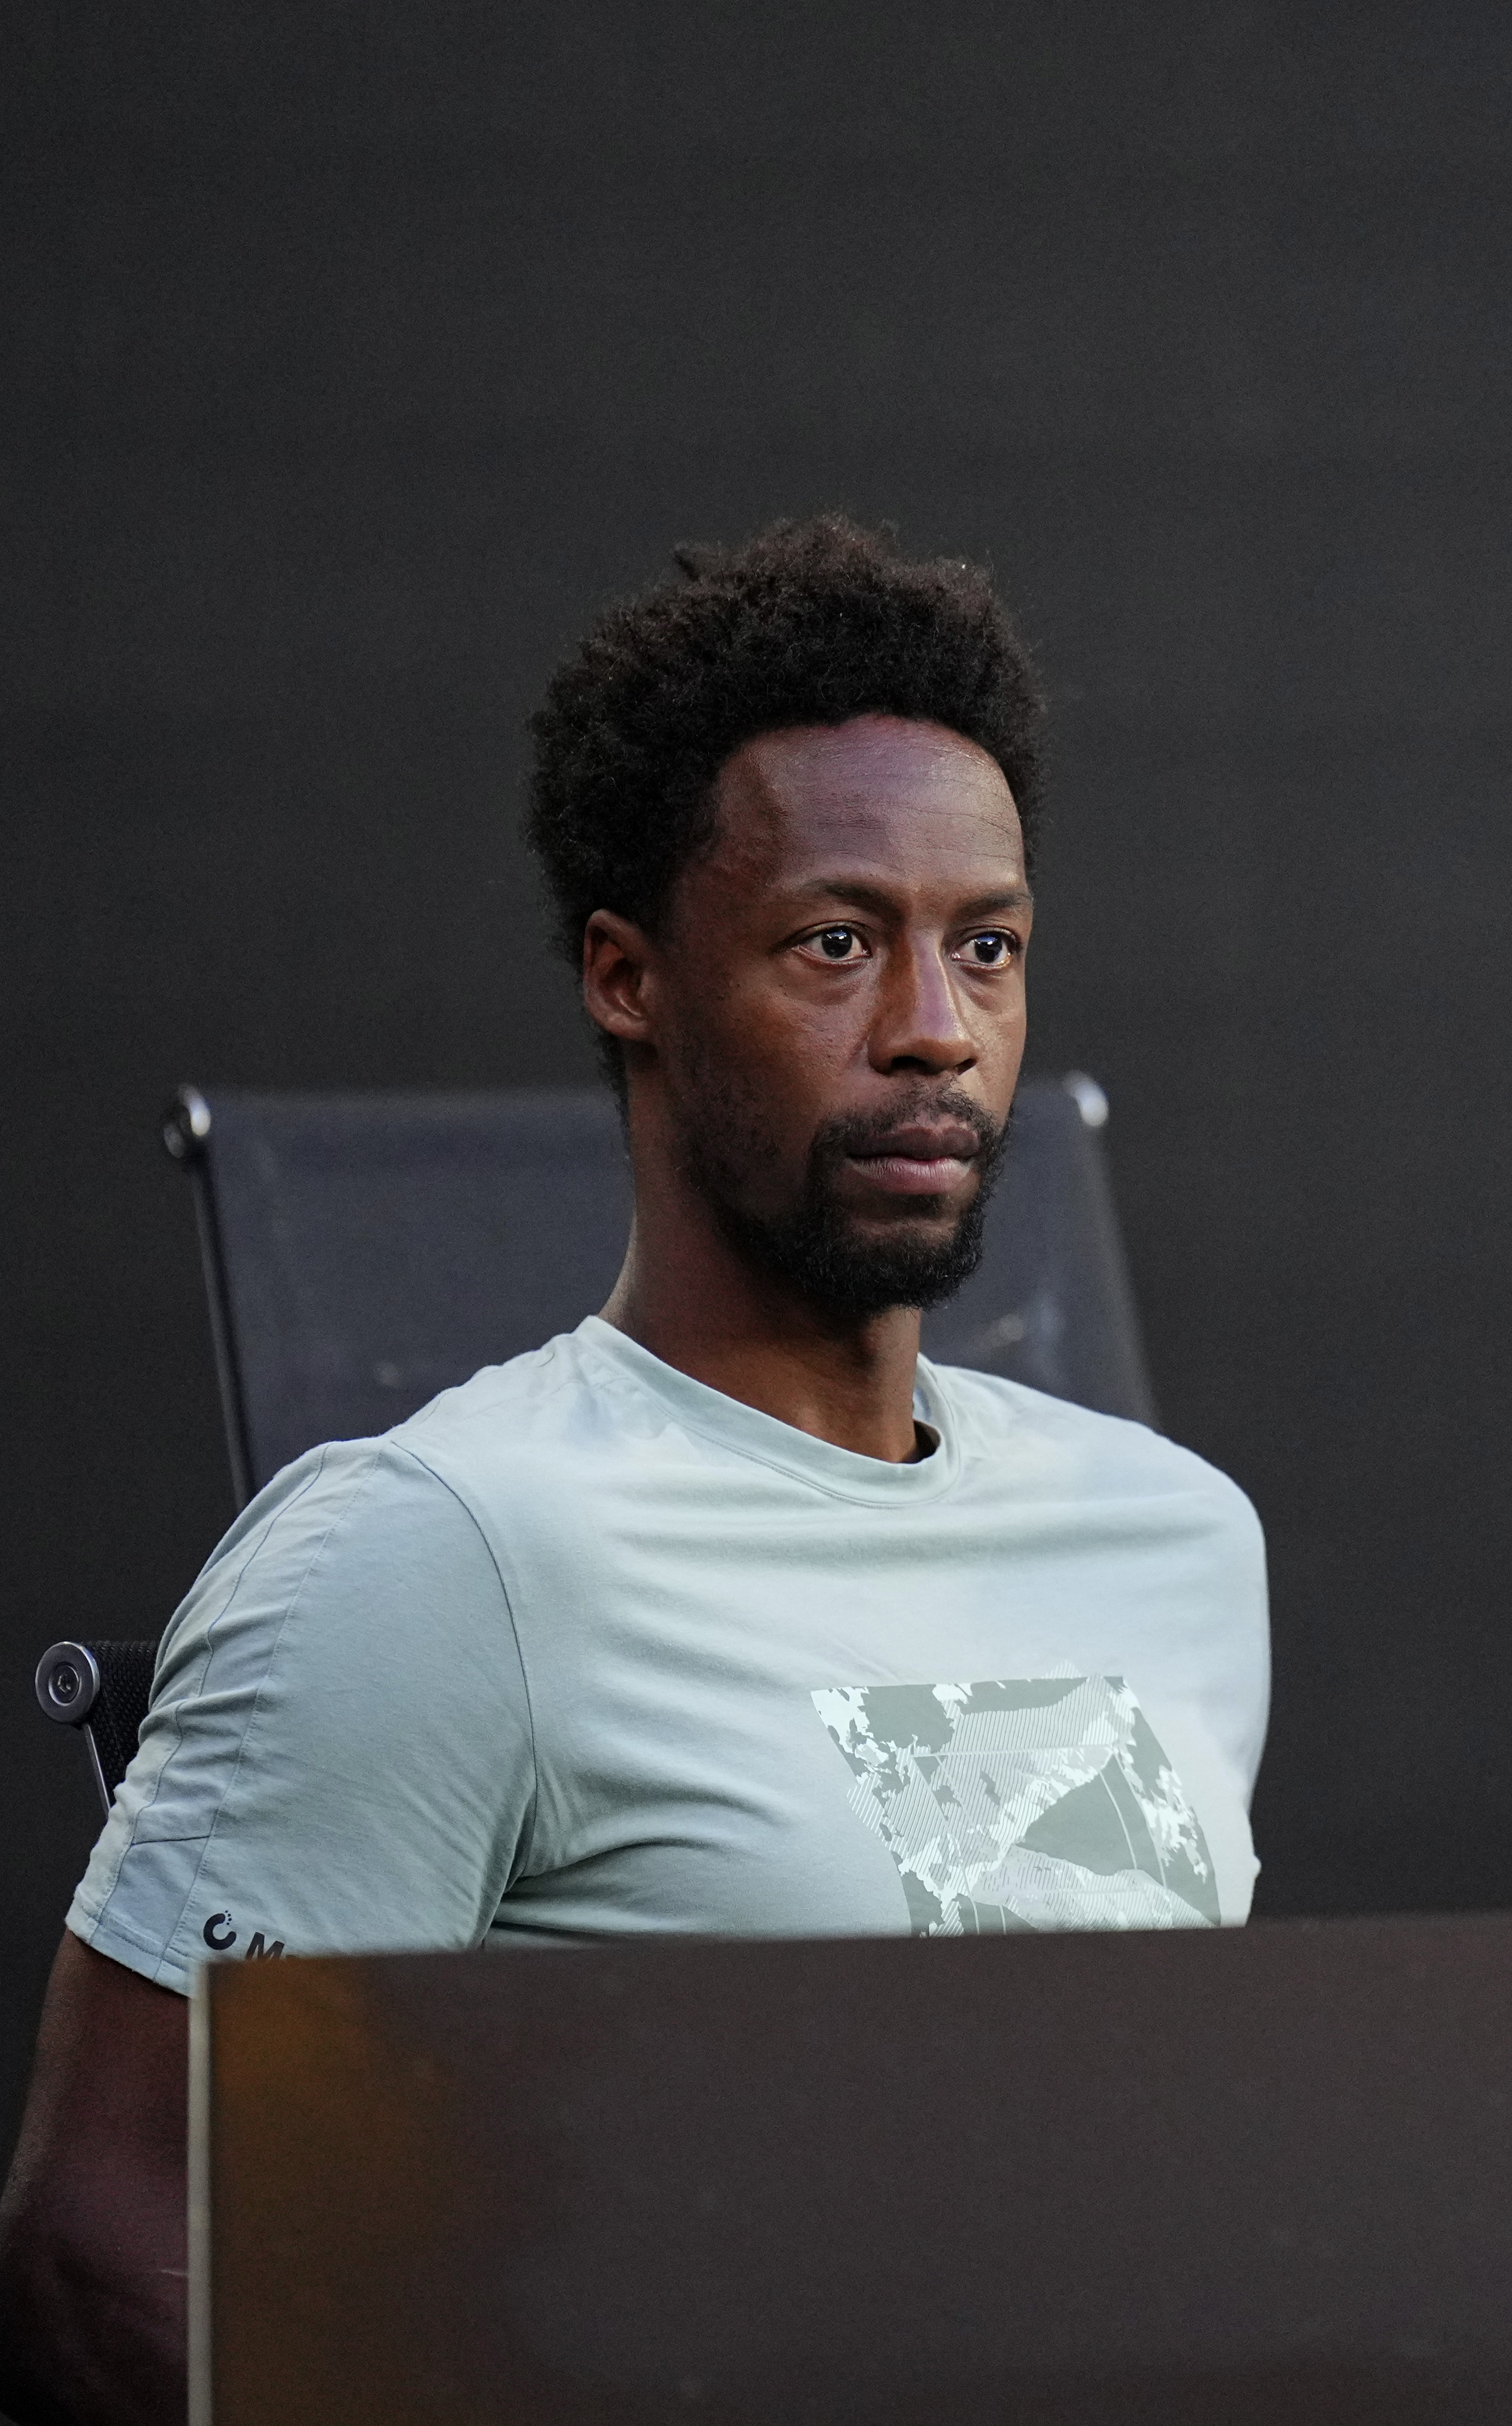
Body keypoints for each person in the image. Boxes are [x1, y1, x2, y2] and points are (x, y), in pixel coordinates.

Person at [0, 518, 1272, 2426]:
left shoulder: (1177, 1536)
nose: (936, 1029)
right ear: (629, 976)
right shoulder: (438, 1554)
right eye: (837, 943)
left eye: (985, 947)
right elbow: (112, 2249)